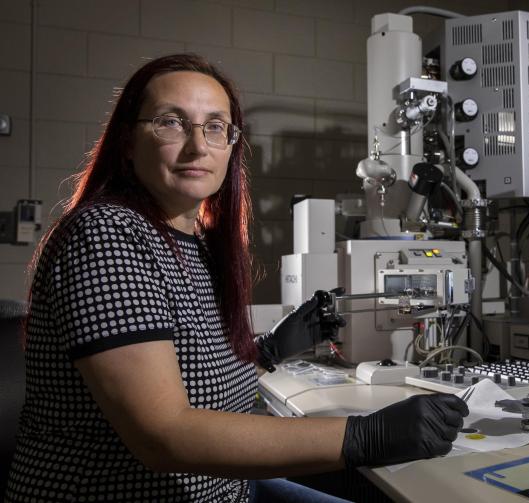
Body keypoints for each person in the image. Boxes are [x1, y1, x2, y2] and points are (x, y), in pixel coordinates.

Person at [4, 53, 468, 502]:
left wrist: (268, 351)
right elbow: (165, 436)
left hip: (224, 489)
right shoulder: (106, 233)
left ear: (231, 143)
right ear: (127, 141)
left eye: (215, 128)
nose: (197, 146)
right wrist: (365, 437)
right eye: (170, 122)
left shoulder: (198, 245)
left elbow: (202, 385)